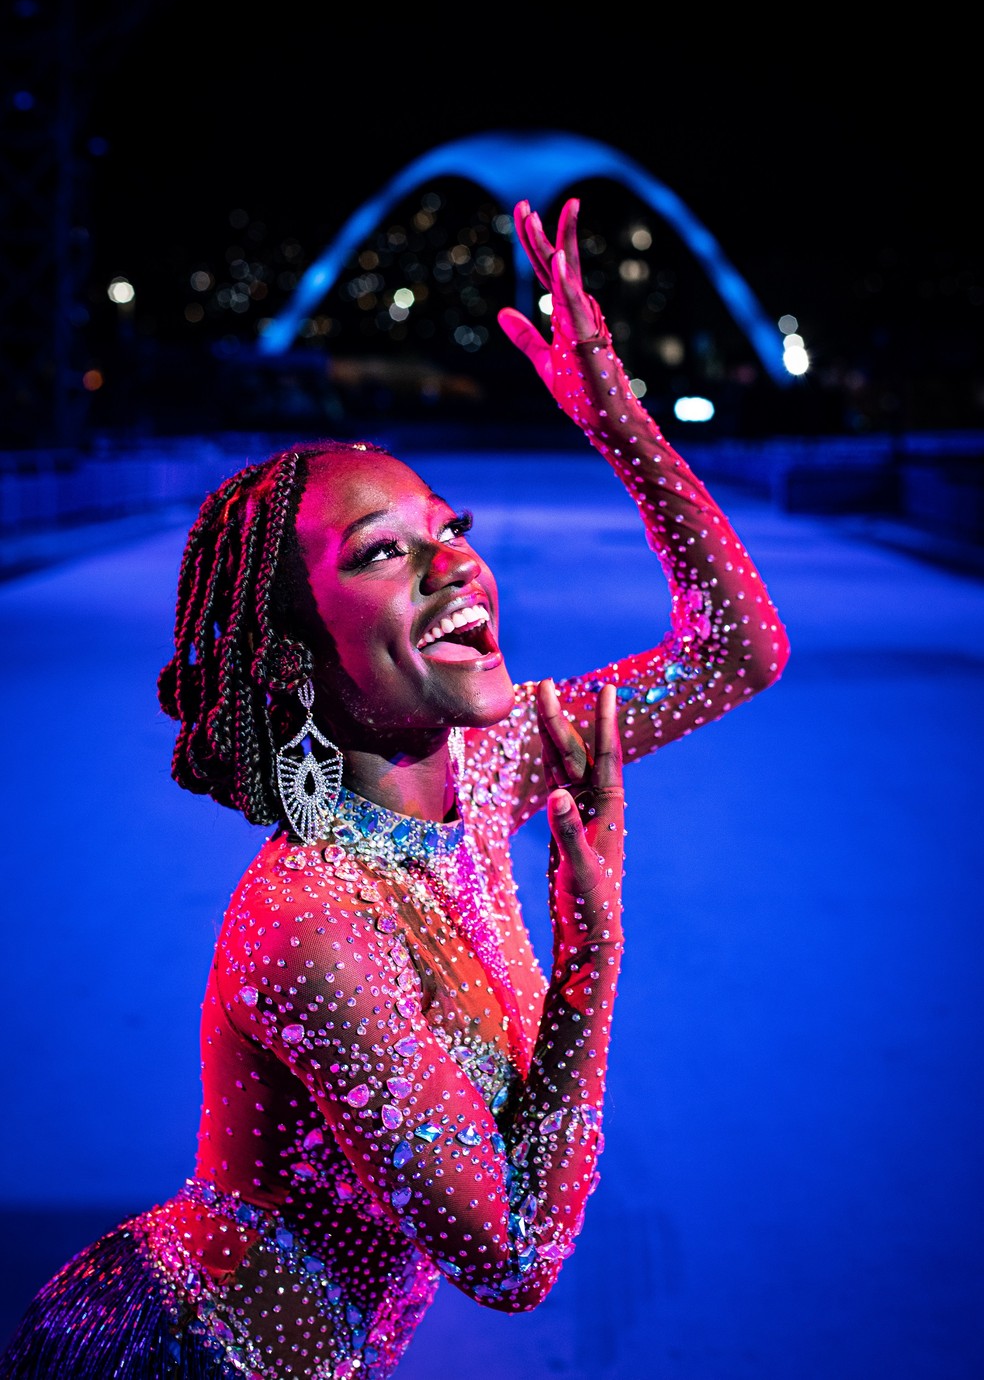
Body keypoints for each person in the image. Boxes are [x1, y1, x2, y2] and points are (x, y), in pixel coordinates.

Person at [1, 199, 789, 1379]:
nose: (455, 561)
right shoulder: (308, 919)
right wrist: (589, 960)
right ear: (288, 656)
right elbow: (516, 1262)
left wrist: (620, 424)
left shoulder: (485, 767)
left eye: (446, 529)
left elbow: (738, 647)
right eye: (383, 551)